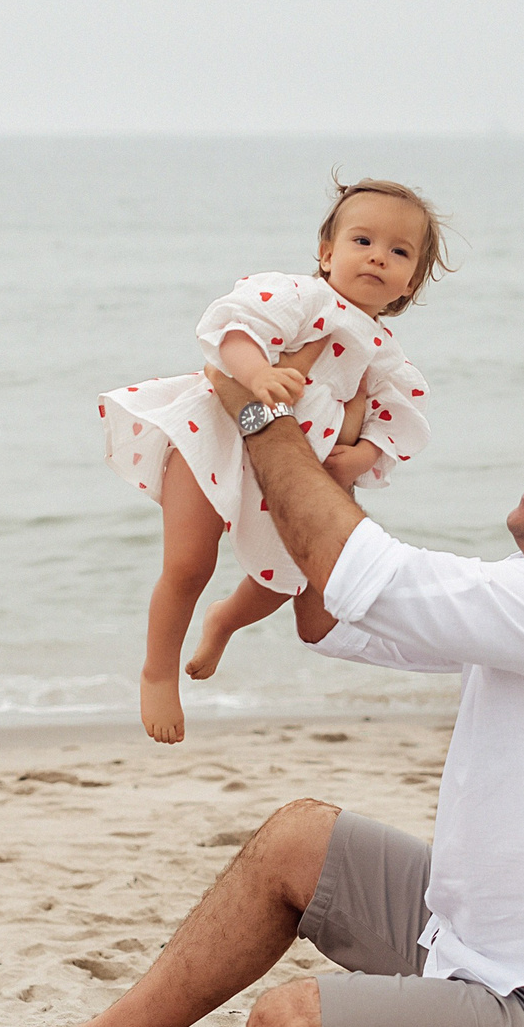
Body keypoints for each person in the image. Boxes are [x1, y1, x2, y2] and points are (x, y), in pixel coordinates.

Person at [0, 382, 524, 1027]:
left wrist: (258, 410)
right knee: (298, 839)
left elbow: (358, 566)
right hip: (482, 944)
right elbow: (328, 613)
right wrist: (327, 455)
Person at [101, 178, 450, 743]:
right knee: (189, 563)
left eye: (399, 252)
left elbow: (403, 418)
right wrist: (258, 372)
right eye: (362, 240)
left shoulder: (386, 354)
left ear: (409, 283)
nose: (378, 256)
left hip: (292, 475)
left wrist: (361, 454)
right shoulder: (303, 299)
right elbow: (233, 330)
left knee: (284, 579)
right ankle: (157, 671)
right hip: (216, 433)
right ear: (326, 253)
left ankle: (224, 623)